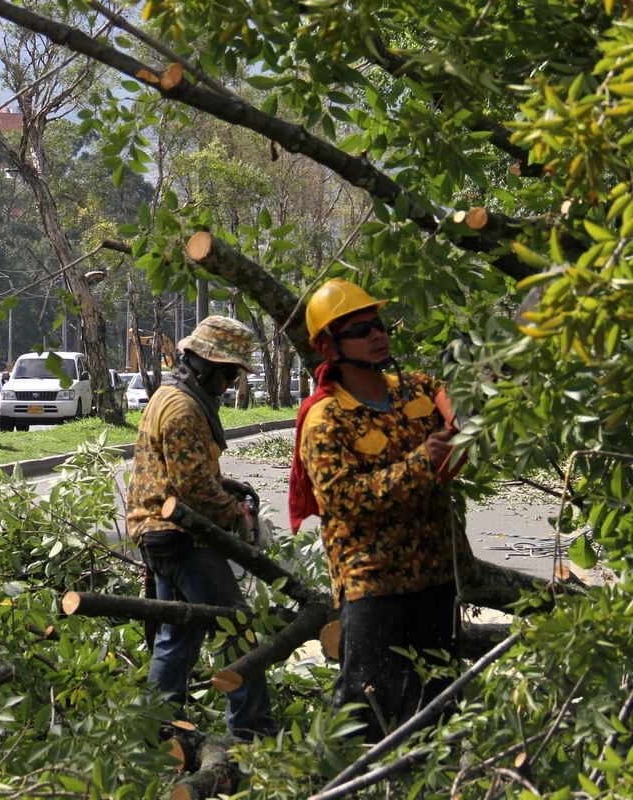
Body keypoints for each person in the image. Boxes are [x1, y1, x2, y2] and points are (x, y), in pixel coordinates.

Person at [289, 278, 464, 741]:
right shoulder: (326, 418)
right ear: (329, 347)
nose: (377, 335)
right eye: (361, 330)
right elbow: (345, 501)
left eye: (378, 325)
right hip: (374, 584)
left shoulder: (412, 390)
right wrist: (421, 463)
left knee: (439, 701)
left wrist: (460, 411)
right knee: (364, 706)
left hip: (434, 576)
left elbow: (448, 395)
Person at [126, 316, 276, 738]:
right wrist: (240, 519)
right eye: (228, 373)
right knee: (237, 631)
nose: (229, 384)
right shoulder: (182, 406)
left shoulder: (173, 396)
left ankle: (158, 732)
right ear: (204, 365)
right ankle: (253, 733)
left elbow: (178, 471)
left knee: (179, 634)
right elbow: (192, 489)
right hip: (179, 536)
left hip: (158, 530)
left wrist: (224, 484)